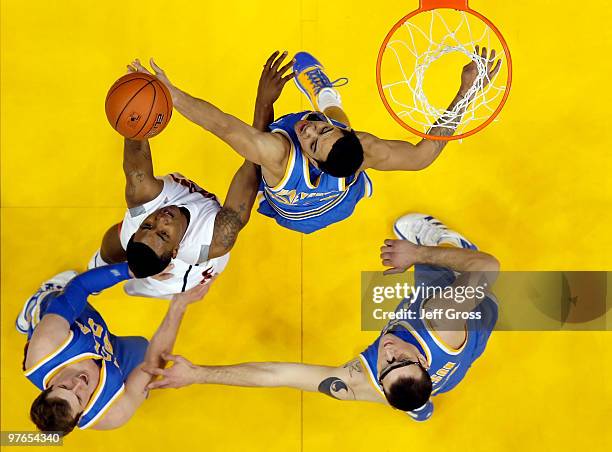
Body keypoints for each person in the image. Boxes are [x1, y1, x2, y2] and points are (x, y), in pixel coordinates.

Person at [142, 213, 500, 421]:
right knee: (456, 267)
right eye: (402, 359)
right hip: (475, 317)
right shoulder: (441, 316)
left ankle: (419, 406)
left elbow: (276, 375)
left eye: (386, 365)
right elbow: (489, 267)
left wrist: (198, 374)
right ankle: (451, 249)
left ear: (379, 378)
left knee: (428, 277)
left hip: (444, 374)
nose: (389, 350)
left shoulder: (359, 385)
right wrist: (416, 252)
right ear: (421, 358)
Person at [128, 47, 500, 233]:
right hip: (338, 193)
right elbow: (424, 155)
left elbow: (224, 126)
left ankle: (326, 103)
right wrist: (467, 91)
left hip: (297, 213)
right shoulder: (360, 148)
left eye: (314, 143)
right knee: (341, 124)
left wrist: (170, 93)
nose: (309, 131)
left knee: (256, 156)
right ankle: (327, 101)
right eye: (323, 130)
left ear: (314, 161)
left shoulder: (279, 153)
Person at [88, 54, 295, 298]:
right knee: (150, 285)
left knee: (116, 239)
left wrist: (139, 99)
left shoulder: (142, 198)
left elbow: (135, 130)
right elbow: (253, 163)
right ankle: (126, 280)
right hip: (182, 279)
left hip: (147, 249)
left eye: (148, 225)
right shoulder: (216, 237)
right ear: (174, 251)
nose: (160, 220)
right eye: (163, 234)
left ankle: (108, 274)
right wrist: (264, 102)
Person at [16, 264, 214, 434]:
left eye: (64, 387)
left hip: (74, 321)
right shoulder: (112, 413)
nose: (78, 383)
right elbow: (152, 364)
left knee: (62, 296)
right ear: (82, 413)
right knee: (145, 356)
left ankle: (35, 304)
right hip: (107, 350)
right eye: (78, 397)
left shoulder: (48, 346)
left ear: (48, 386)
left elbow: (81, 286)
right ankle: (131, 385)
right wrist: (178, 305)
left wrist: (133, 270)